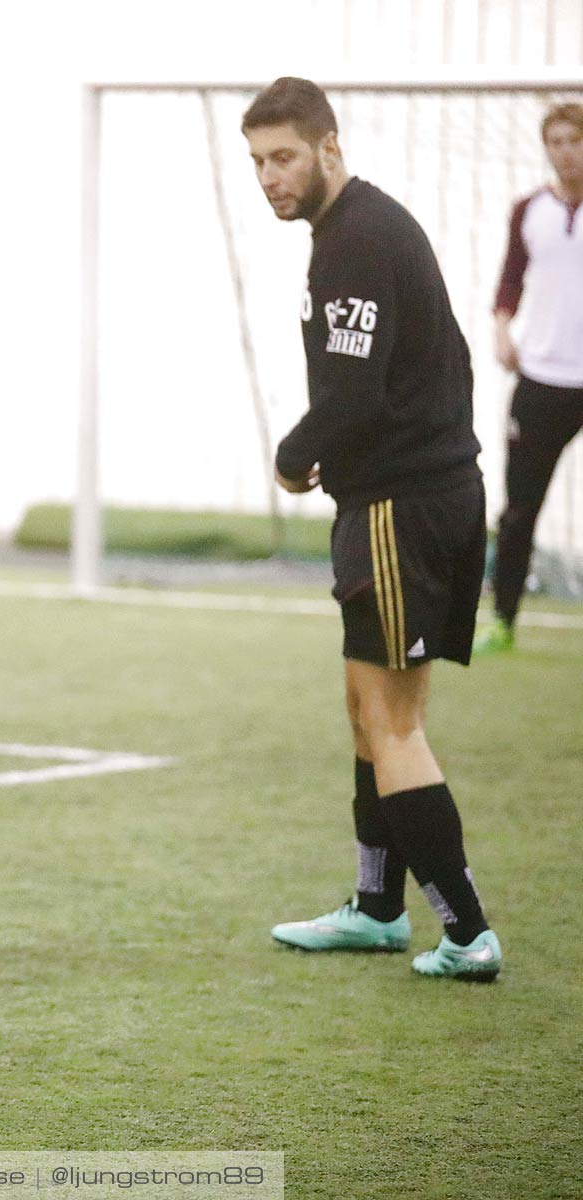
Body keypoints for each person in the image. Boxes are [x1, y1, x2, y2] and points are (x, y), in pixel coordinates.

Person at [243, 77, 500, 980]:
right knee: (369, 714)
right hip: (397, 497)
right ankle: (378, 908)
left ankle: (465, 931)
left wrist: (292, 452)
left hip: (404, 505)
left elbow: (354, 393)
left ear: (329, 147)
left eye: (283, 157)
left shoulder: (358, 238)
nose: (270, 177)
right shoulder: (353, 233)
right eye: (258, 163)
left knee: (392, 723)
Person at [474, 103, 583, 655]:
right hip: (540, 380)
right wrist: (501, 330)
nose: (566, 152)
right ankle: (504, 619)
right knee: (520, 509)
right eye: (556, 141)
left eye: (575, 140)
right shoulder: (529, 211)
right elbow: (509, 281)